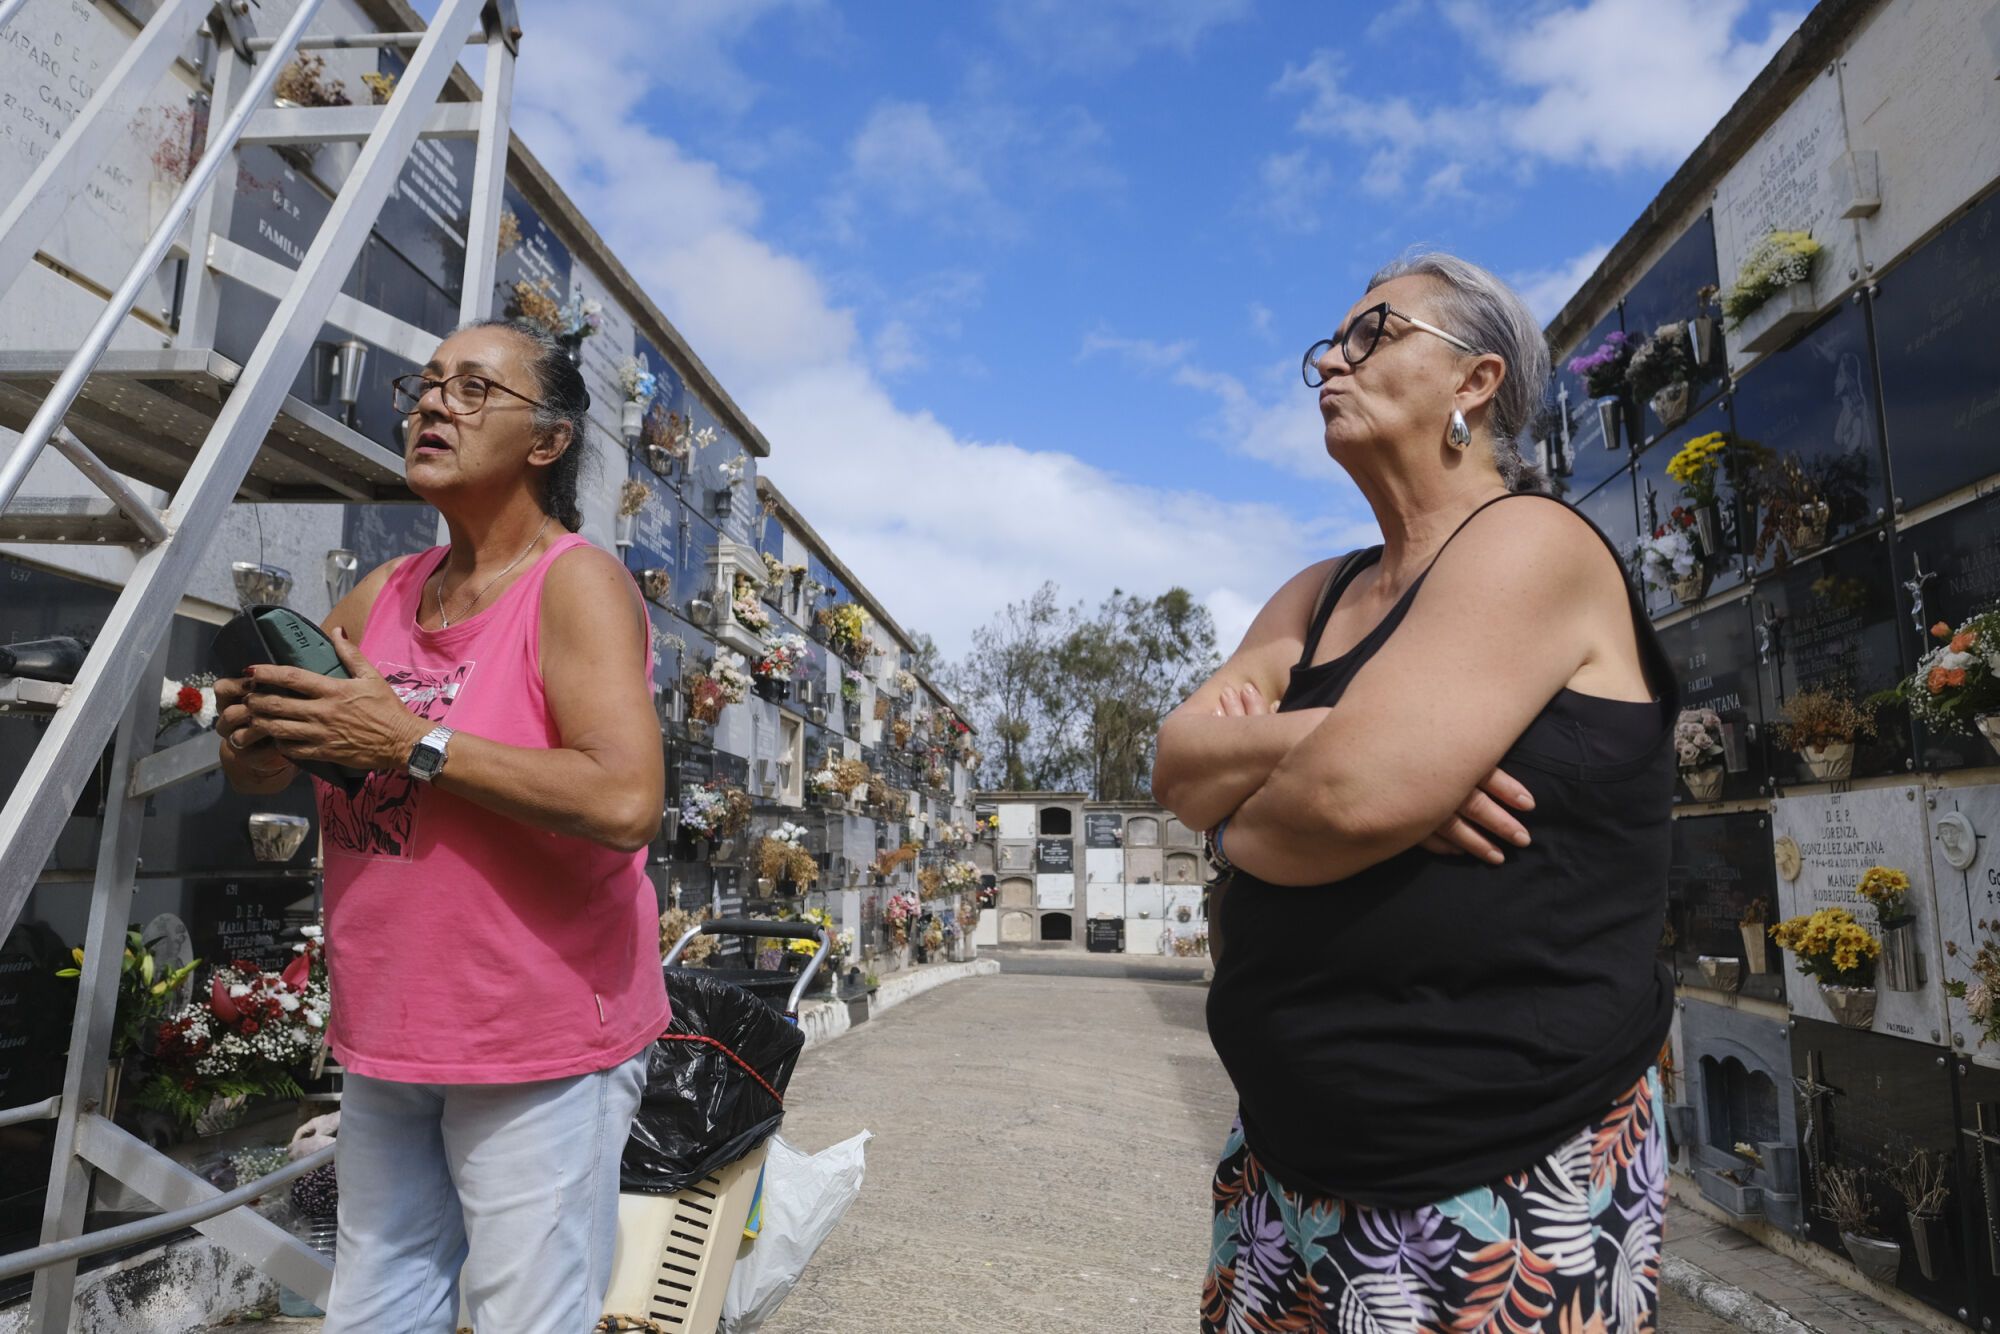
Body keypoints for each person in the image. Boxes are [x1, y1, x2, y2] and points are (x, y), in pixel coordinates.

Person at [1154, 252, 1677, 1333]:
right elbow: (1176, 766)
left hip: (1496, 1171)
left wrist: (1251, 807)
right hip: (1283, 1169)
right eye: (1327, 346)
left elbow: (1345, 799)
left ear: (1475, 381)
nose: (1329, 365)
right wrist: (1334, 736)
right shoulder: (1319, 591)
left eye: (1371, 335)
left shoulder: (1532, 542)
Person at [212, 319, 669, 1332]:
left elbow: (626, 799)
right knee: (375, 1307)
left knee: (523, 1315)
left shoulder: (575, 583)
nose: (431, 403)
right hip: (393, 1025)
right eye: (425, 384)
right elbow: (270, 769)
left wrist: (412, 739)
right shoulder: (382, 593)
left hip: (537, 1033)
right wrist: (256, 740)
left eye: (472, 389)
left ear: (547, 440)